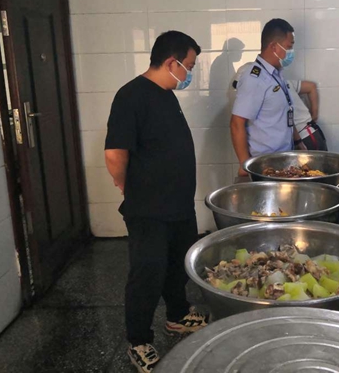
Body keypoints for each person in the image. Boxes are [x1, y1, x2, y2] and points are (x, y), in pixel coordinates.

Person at [104, 31, 207, 373]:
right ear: (171, 62)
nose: (190, 72)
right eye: (189, 65)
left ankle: (177, 315)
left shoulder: (165, 94)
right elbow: (114, 154)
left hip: (178, 205)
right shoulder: (131, 96)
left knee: (178, 264)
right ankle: (138, 341)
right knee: (147, 273)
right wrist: (127, 185)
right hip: (149, 209)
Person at [230, 19, 306, 176]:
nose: (291, 52)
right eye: (289, 47)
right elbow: (236, 123)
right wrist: (245, 165)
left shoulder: (276, 74)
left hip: (284, 161)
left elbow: (284, 114)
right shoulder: (254, 78)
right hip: (265, 166)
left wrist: (298, 142)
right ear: (273, 47)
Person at [232, 66, 327, 150]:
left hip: (304, 138)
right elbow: (311, 87)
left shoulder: (267, 93)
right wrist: (314, 115)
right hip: (311, 133)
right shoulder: (282, 82)